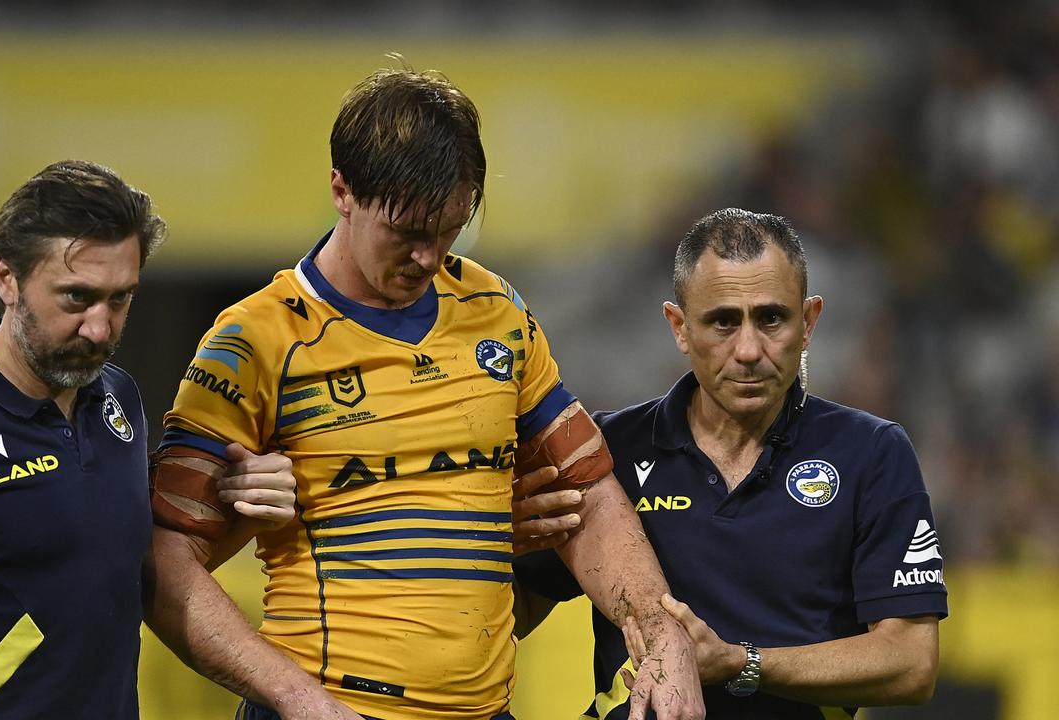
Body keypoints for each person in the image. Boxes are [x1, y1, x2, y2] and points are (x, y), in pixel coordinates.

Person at [141, 63, 704, 720]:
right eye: (407, 233)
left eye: (450, 231)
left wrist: (665, 638)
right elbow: (164, 561)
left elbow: (591, 489)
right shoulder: (254, 341)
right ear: (341, 190)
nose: (430, 258)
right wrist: (296, 699)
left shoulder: (496, 309)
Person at [0, 160, 296, 719]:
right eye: (76, 297)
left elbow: (128, 566)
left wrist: (245, 501)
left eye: (119, 299)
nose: (99, 329)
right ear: (7, 277)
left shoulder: (116, 399)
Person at [514, 208, 947, 719]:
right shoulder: (610, 450)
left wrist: (740, 663)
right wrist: (496, 544)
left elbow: (912, 662)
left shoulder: (871, 453)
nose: (747, 349)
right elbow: (509, 618)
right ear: (678, 327)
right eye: (723, 321)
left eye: (771, 319)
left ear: (808, 323)